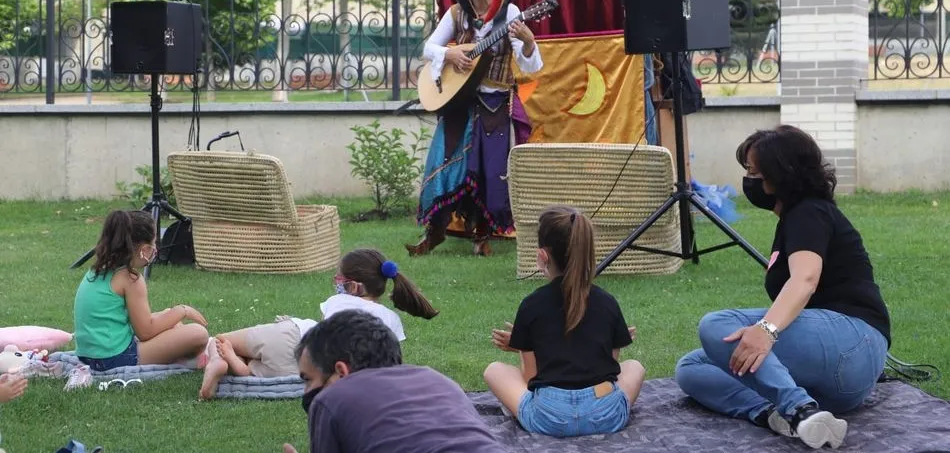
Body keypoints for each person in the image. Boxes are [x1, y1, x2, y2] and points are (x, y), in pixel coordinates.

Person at [674, 125, 891, 450]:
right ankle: (778, 415)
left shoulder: (809, 212)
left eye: (754, 172)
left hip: (853, 342)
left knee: (716, 324)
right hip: (837, 386)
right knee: (692, 366)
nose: (749, 180)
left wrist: (766, 330)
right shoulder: (795, 218)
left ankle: (797, 407)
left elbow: (805, 279)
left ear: (782, 174)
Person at [407, 0, 543, 257]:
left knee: (489, 170)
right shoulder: (456, 13)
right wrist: (450, 53)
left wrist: (529, 41)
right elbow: (428, 48)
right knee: (445, 166)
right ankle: (434, 232)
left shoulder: (510, 15)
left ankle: (482, 236)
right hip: (459, 101)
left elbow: (534, 68)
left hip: (495, 102)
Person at [483, 206, 645, 438]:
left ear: (542, 256)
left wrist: (522, 346)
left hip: (549, 418)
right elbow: (610, 371)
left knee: (494, 370)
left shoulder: (531, 305)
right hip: (605, 416)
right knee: (634, 367)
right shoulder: (607, 302)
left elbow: (531, 380)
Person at [200, 248, 437, 399]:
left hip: (295, 337)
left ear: (353, 287)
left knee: (219, 340)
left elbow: (321, 338)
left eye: (339, 280)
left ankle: (220, 363)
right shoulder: (391, 320)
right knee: (256, 362)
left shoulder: (339, 301)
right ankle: (245, 369)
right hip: (303, 370)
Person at [282, 309, 504, 453]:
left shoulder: (331, 399)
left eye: (308, 379)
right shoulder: (439, 380)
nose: (307, 391)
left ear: (341, 371)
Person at [73, 210, 210, 371]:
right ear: (144, 249)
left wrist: (169, 315)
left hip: (88, 356)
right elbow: (146, 332)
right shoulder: (131, 279)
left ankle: (177, 351)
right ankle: (184, 359)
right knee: (198, 334)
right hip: (114, 359)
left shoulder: (97, 270)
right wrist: (182, 310)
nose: (155, 250)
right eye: (154, 245)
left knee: (167, 315)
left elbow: (135, 323)